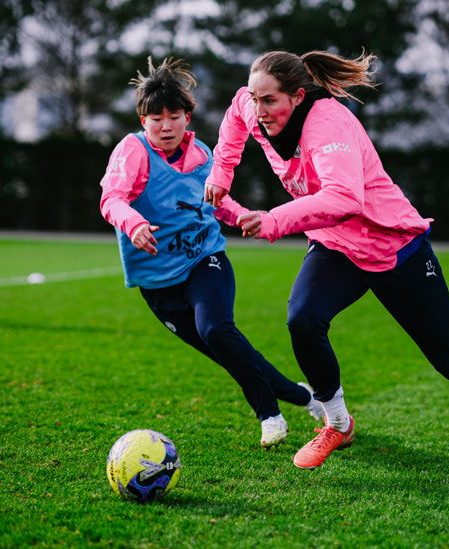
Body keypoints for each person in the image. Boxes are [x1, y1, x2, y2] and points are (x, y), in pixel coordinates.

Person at [203, 50, 449, 478]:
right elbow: (235, 118)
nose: (259, 109)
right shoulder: (253, 107)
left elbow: (344, 199)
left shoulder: (328, 124)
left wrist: (273, 220)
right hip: (337, 247)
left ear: (298, 96)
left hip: (395, 247)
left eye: (269, 100)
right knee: (303, 320)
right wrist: (221, 173)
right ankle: (338, 424)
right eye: (255, 97)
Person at [99, 57, 324, 448]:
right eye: (156, 119)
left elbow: (216, 202)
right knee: (226, 351)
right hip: (157, 281)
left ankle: (269, 414)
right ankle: (305, 396)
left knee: (217, 329)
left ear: (189, 117)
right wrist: (133, 224)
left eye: (174, 116)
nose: (165, 126)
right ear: (142, 121)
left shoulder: (203, 155)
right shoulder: (132, 152)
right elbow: (111, 199)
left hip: (205, 258)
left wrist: (243, 217)